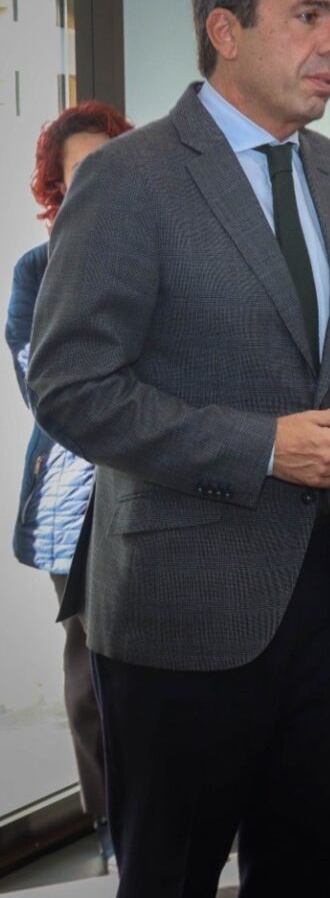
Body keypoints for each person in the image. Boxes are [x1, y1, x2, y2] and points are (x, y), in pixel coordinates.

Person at [27, 0, 330, 896]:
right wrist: (263, 447)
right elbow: (71, 386)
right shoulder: (128, 179)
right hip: (181, 614)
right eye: (308, 16)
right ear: (226, 31)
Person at [7, 100, 133, 872]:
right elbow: (48, 389)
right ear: (56, 185)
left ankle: (171, 812)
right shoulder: (36, 270)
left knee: (159, 669)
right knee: (89, 674)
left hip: (158, 493)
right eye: (79, 171)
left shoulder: (159, 249)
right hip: (73, 502)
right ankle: (111, 822)